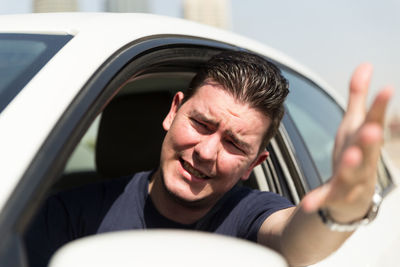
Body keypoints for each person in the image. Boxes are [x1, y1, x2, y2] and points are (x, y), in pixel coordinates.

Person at [25, 51, 393, 267]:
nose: (205, 152)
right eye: (200, 124)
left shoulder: (251, 215)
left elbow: (294, 239)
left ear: (254, 164)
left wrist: (340, 210)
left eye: (234, 144)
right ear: (173, 112)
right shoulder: (71, 213)